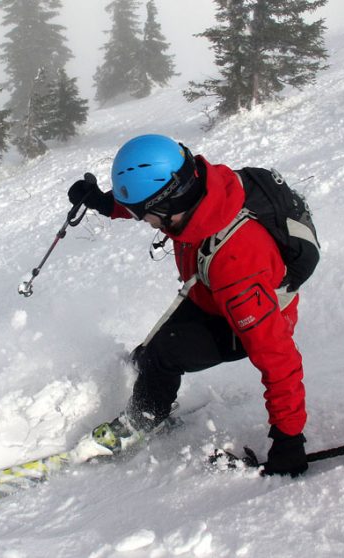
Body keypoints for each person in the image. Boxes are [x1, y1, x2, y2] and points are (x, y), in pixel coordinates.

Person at [67, 134, 308, 477]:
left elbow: (277, 354)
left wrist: (289, 437)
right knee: (147, 354)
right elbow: (156, 196)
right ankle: (152, 392)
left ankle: (142, 420)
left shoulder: (236, 263)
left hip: (244, 314)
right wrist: (107, 204)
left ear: (167, 207)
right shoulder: (201, 187)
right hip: (209, 291)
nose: (144, 222)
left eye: (146, 216)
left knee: (163, 355)